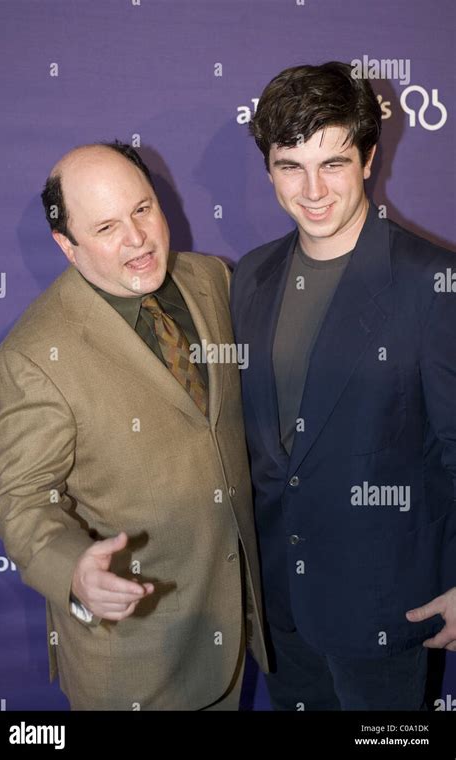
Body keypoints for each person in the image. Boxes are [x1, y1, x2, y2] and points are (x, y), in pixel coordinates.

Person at [0, 141, 267, 710]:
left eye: (142, 209)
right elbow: (19, 497)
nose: (137, 239)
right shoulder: (33, 357)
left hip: (235, 625)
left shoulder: (210, 279)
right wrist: (73, 572)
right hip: (137, 662)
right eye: (107, 226)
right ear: (68, 246)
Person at [230, 62, 456, 711]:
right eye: (290, 165)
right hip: (280, 609)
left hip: (384, 605)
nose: (312, 188)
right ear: (269, 169)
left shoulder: (431, 283)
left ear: (367, 159)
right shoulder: (252, 276)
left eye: (332, 162)